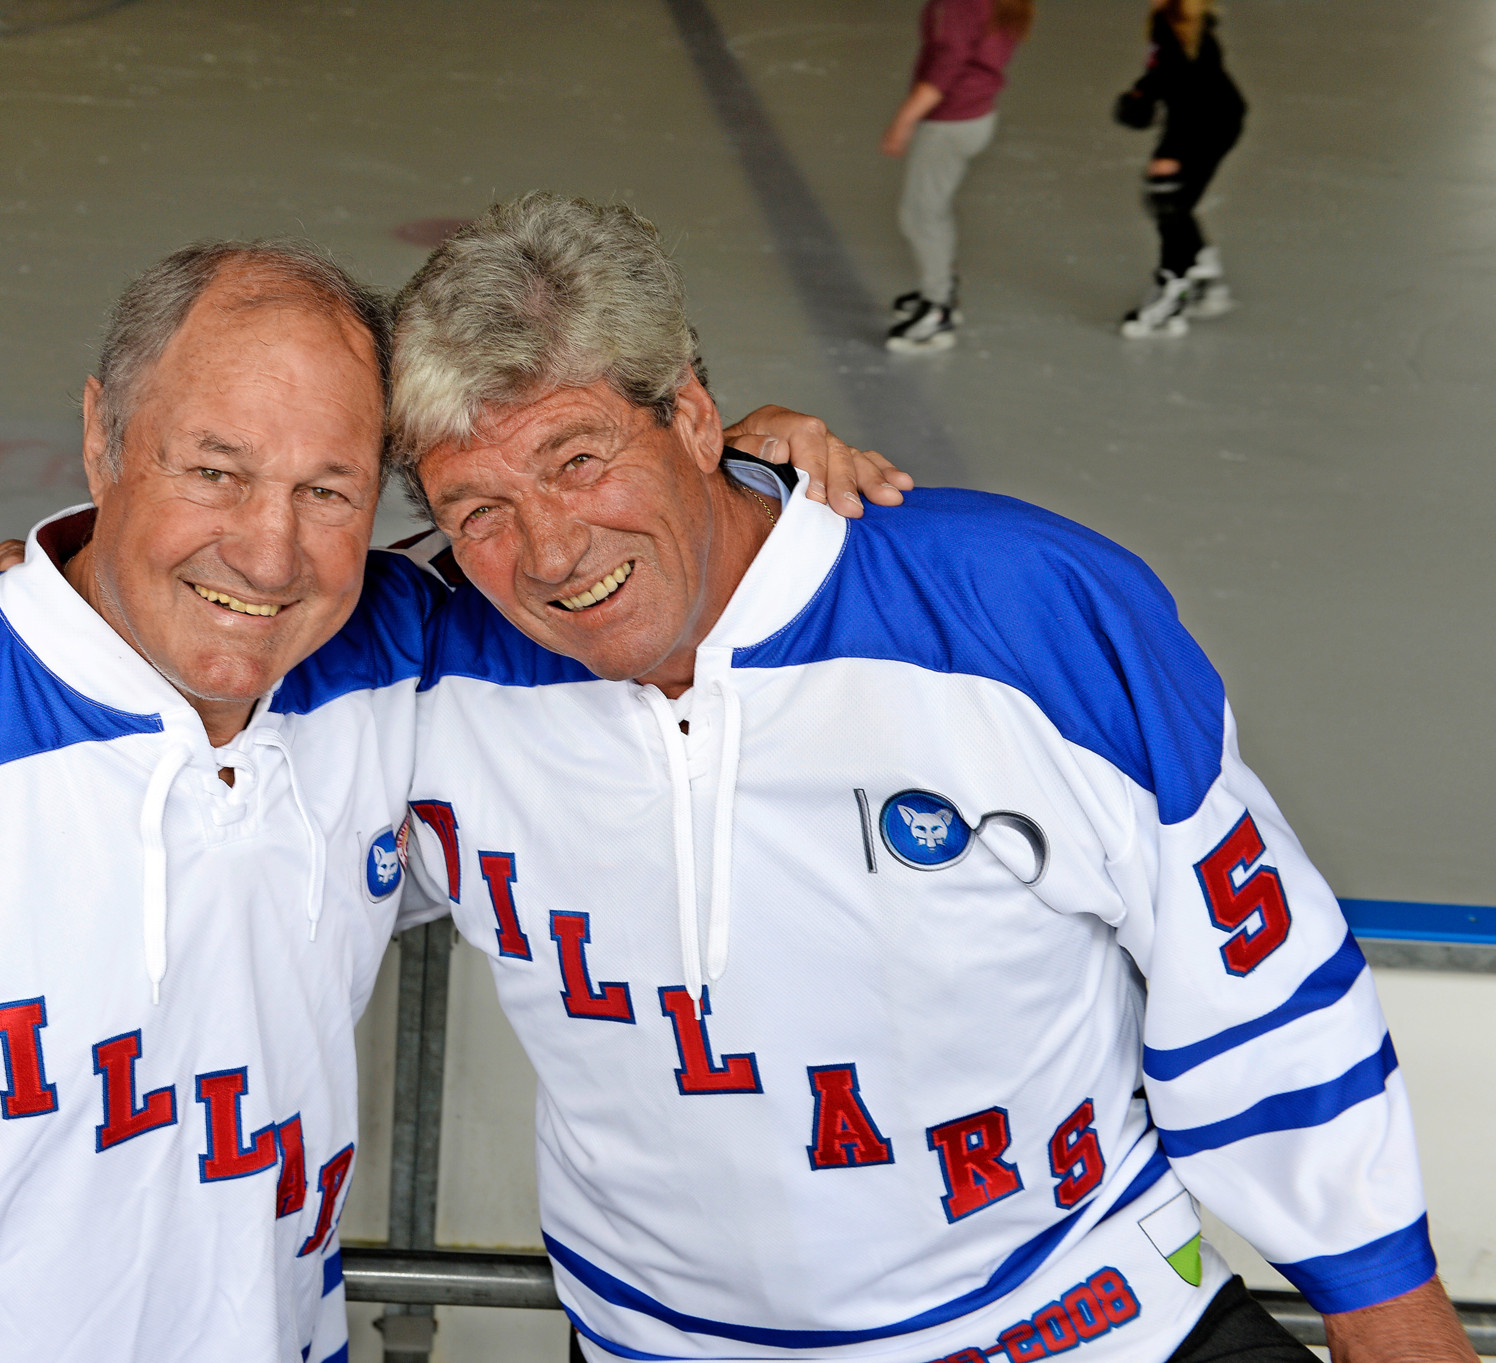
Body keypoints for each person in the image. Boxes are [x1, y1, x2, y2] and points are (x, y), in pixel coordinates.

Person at [0, 235, 900, 1362]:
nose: (268, 554)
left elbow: (596, 572)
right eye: (213, 472)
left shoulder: (385, 672)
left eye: (328, 491)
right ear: (104, 439)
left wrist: (736, 469)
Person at [383, 194, 1473, 1362]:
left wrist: (1384, 1309)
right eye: (477, 510)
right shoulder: (418, 669)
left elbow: (1249, 979)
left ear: (692, 415)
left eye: (579, 460)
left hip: (1085, 1328)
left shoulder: (1013, 606)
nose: (549, 551)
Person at [881, 0, 1033, 353]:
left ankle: (937, 310)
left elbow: (945, 68)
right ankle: (942, 288)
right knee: (934, 209)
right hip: (976, 115)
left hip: (949, 122)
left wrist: (903, 120)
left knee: (920, 214)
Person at [1114, 0, 1247, 339]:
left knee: (1168, 197)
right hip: (1217, 118)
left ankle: (1173, 292)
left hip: (1208, 123)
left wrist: (1172, 152)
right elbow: (1169, 76)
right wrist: (1143, 92)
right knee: (1173, 201)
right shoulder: (1176, 22)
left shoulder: (1176, 29)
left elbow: (1189, 93)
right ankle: (1202, 271)